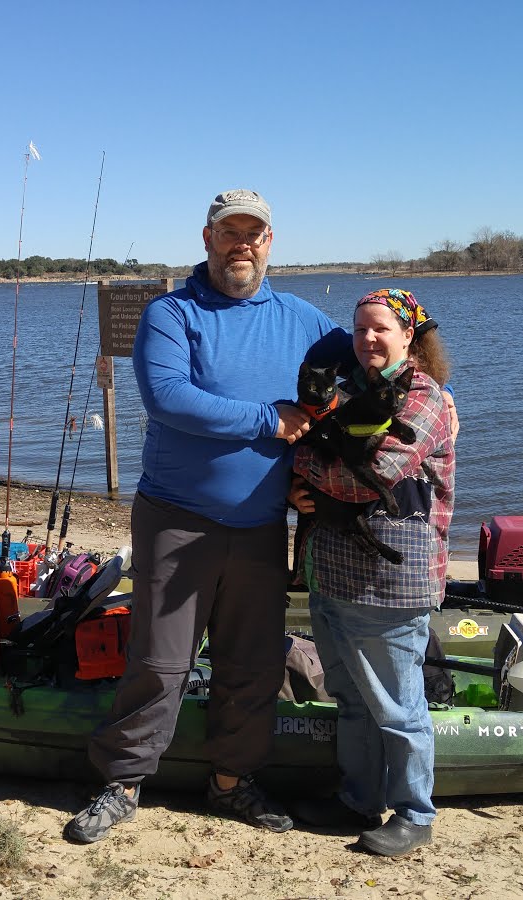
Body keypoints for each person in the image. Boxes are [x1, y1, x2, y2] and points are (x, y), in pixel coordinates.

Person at [64, 189, 350, 844]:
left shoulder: (304, 321)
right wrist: (270, 420)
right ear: (208, 239)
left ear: (270, 242)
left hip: (260, 527)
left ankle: (232, 783)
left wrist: (421, 394)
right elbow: (168, 399)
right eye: (230, 232)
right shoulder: (172, 314)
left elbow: (372, 358)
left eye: (255, 233)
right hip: (177, 519)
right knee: (160, 660)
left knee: (249, 663)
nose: (241, 244)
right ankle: (122, 781)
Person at [288, 288, 455, 857]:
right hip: (330, 575)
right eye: (360, 330)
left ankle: (415, 812)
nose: (368, 340)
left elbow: (372, 475)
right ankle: (357, 797)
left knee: (399, 707)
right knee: (352, 699)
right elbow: (323, 467)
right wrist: (302, 488)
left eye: (381, 329)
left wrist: (301, 462)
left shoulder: (426, 400)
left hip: (392, 583)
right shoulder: (349, 393)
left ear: (410, 335)